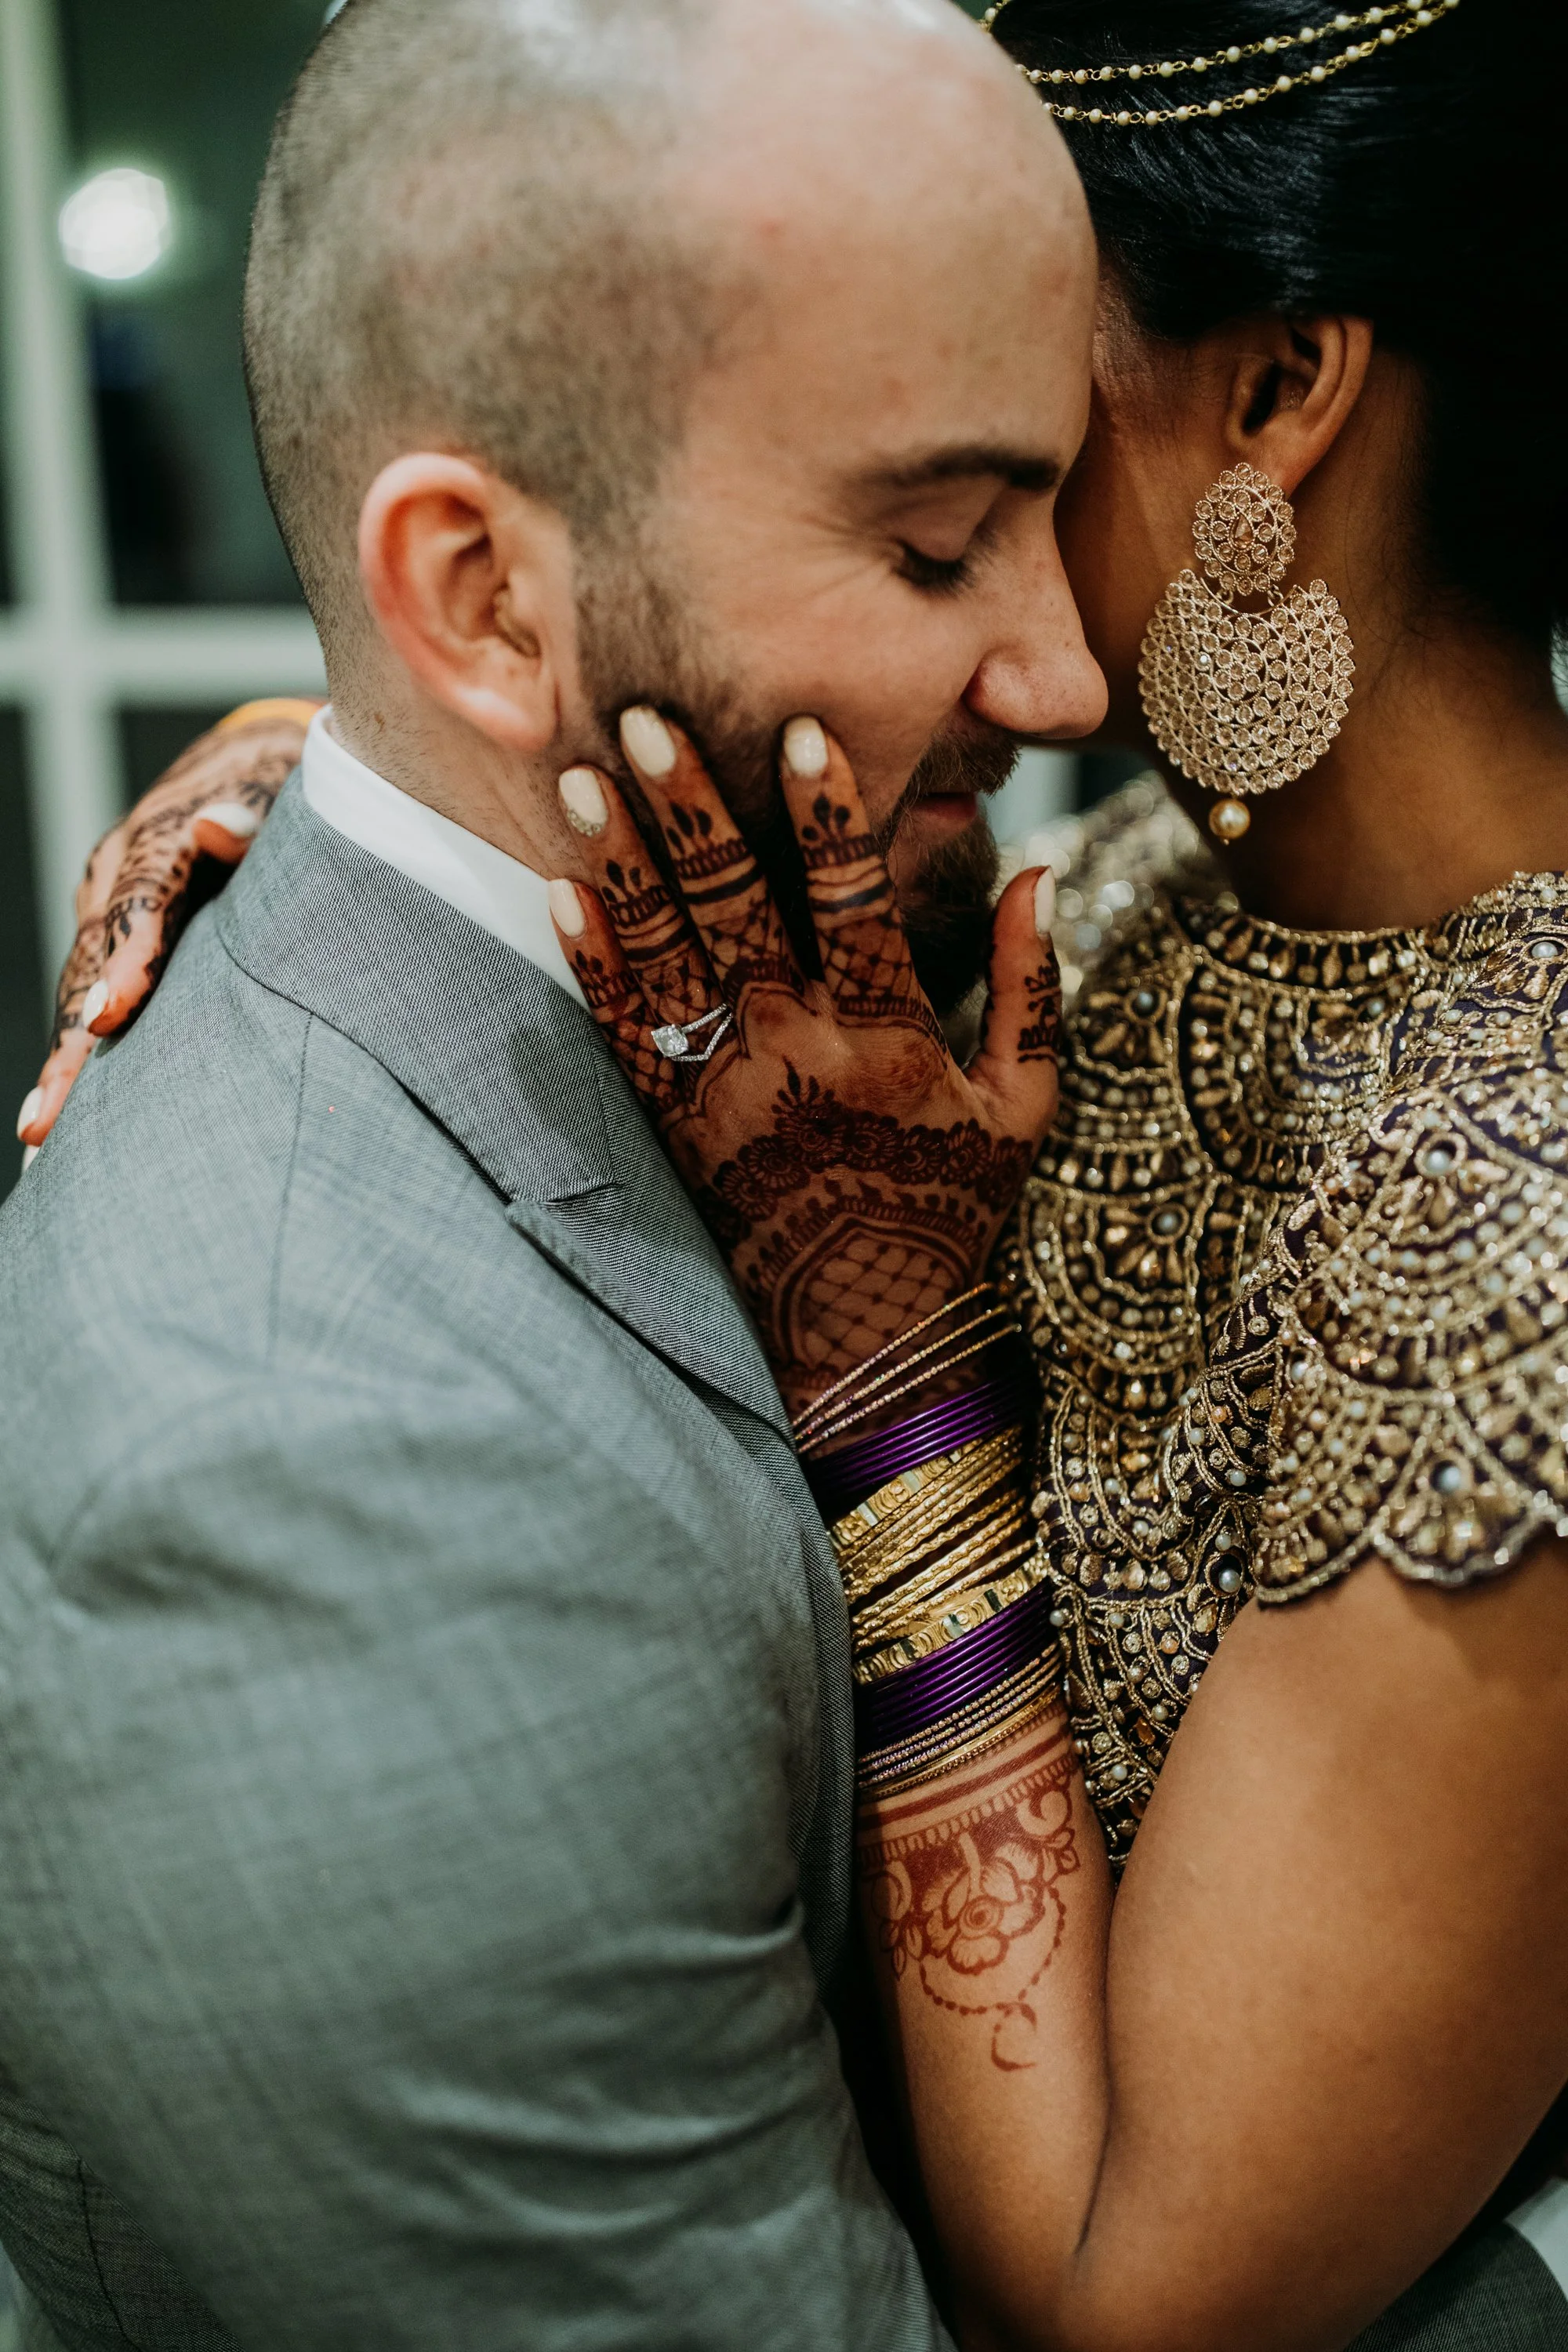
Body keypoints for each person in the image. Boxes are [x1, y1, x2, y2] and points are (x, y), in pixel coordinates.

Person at [42, 0, 1568, 2346]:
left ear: (1277, 401)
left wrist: (909, 1388)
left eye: (1016, 464)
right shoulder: (1152, 896)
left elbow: (1131, 2302)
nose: (1040, 658)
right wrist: (358, 779)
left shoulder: (1515, 1210)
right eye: (942, 519)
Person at [0, 0, 1105, 2344]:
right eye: (936, 547)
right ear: (487, 602)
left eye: (1063, 509)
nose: (1071, 673)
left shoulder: (760, 987)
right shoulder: (302, 1490)